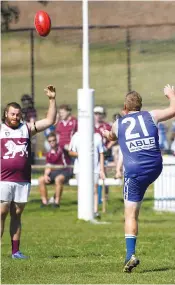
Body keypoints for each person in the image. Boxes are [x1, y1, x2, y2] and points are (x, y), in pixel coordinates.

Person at [102, 84, 175, 272]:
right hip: (155, 167)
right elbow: (174, 109)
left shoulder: (119, 123)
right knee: (138, 198)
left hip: (134, 171)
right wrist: (170, 94)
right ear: (140, 106)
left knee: (130, 213)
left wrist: (106, 133)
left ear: (124, 108)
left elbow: (111, 137)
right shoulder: (152, 115)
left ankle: (130, 255)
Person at [1, 85, 57, 259]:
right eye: (12, 114)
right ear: (6, 114)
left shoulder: (26, 128)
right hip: (3, 179)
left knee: (16, 214)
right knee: (1, 213)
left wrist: (52, 99)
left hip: (22, 180)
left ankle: (15, 251)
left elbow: (49, 121)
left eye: (18, 114)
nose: (16, 117)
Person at [68, 132, 105, 219]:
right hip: (80, 168)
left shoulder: (97, 137)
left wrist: (102, 170)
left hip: (94, 168)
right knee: (81, 190)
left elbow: (101, 153)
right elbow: (71, 152)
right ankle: (82, 212)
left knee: (94, 189)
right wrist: (81, 154)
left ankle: (95, 211)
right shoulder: (76, 136)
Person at [38, 132, 72, 207]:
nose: (52, 142)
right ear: (48, 142)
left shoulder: (62, 148)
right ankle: (44, 202)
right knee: (41, 179)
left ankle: (56, 203)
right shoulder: (49, 154)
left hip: (65, 170)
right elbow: (48, 166)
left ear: (56, 140)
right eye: (50, 141)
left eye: (53, 140)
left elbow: (69, 148)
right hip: (55, 172)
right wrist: (46, 175)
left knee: (58, 179)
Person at [21, 94, 37, 164]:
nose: (25, 103)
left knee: (31, 147)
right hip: (22, 131)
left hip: (30, 130)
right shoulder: (21, 110)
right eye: (23, 101)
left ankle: (32, 163)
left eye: (26, 101)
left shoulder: (31, 111)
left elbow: (32, 122)